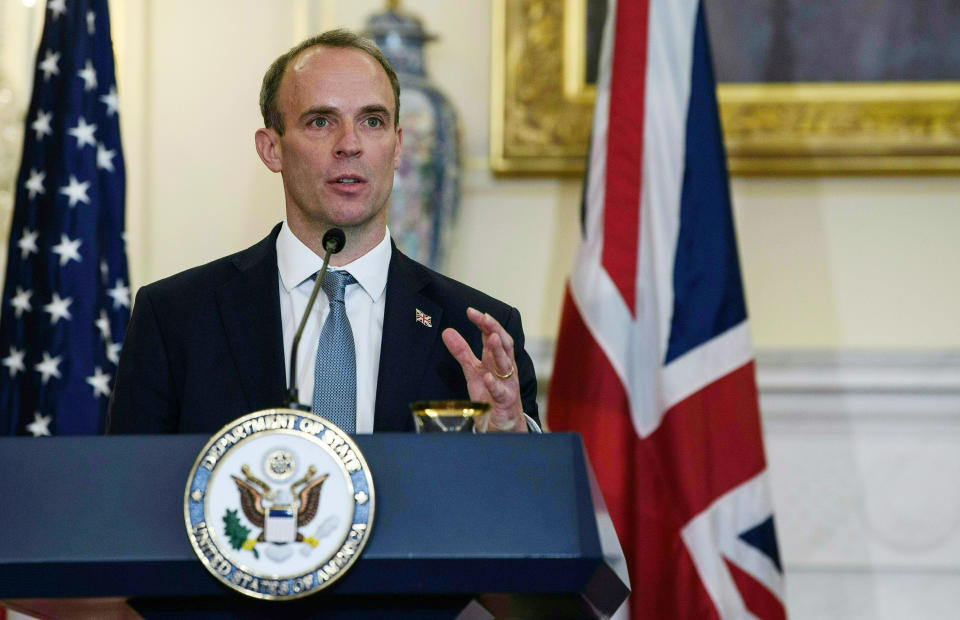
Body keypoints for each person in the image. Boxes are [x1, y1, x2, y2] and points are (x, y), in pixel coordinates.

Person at [107, 30, 538, 435]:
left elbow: (526, 503)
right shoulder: (175, 319)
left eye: (372, 121)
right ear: (271, 148)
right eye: (320, 122)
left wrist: (510, 435)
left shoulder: (480, 333)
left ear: (397, 146)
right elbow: (130, 494)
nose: (349, 144)